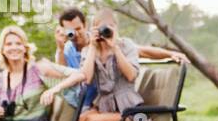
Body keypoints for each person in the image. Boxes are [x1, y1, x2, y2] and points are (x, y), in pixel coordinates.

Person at [54, 7, 186, 108]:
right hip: (85, 102)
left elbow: (141, 51)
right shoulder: (67, 49)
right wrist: (60, 49)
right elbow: (63, 73)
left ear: (86, 26)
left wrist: (169, 54)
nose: (75, 34)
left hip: (105, 99)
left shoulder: (102, 38)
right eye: (70, 31)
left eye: (78, 29)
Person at [74, 8, 146, 121]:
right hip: (104, 106)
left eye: (109, 27)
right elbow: (86, 79)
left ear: (116, 27)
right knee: (80, 119)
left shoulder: (126, 45)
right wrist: (93, 47)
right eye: (101, 28)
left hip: (129, 110)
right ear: (94, 29)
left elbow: (131, 75)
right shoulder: (89, 50)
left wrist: (115, 48)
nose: (105, 31)